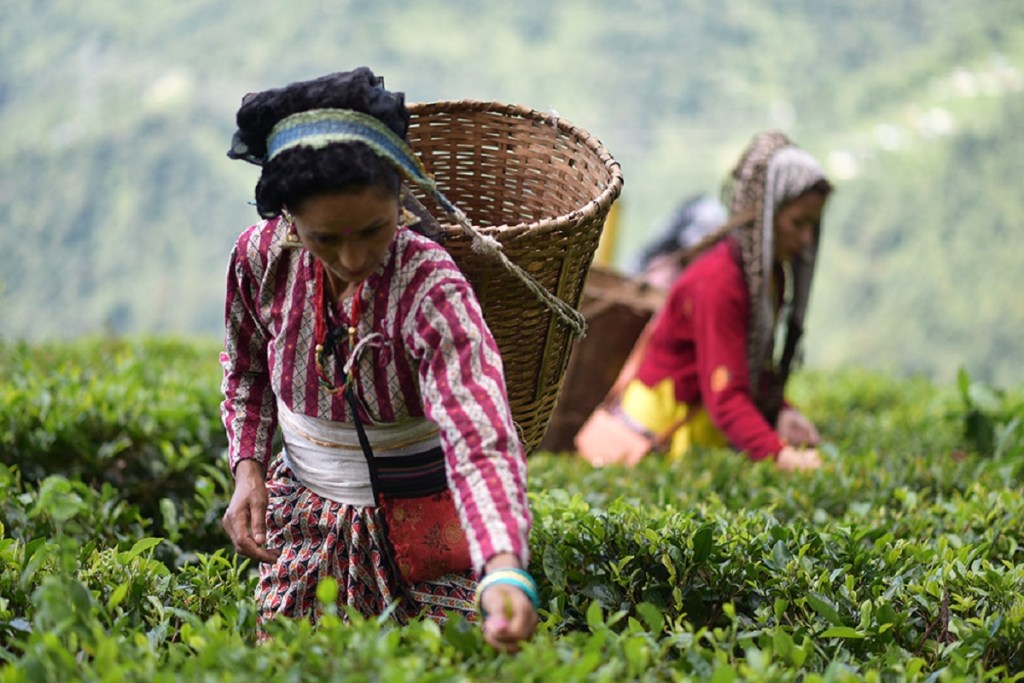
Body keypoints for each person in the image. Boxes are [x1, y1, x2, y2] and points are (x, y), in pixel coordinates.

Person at [218, 67, 538, 651]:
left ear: (400, 197)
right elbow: (247, 370)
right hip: (305, 516)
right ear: (289, 218)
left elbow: (479, 435)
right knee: (292, 659)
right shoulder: (260, 260)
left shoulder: (430, 286)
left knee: (449, 659)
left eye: (373, 229)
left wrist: (502, 564)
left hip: (432, 517)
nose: (353, 256)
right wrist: (249, 470)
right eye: (325, 239)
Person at [588, 131, 831, 470]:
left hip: (697, 433)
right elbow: (726, 398)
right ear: (763, 214)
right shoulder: (720, 282)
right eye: (798, 223)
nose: (806, 239)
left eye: (813, 226)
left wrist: (783, 411)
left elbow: (745, 365)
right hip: (657, 440)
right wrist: (785, 457)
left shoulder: (766, 276)